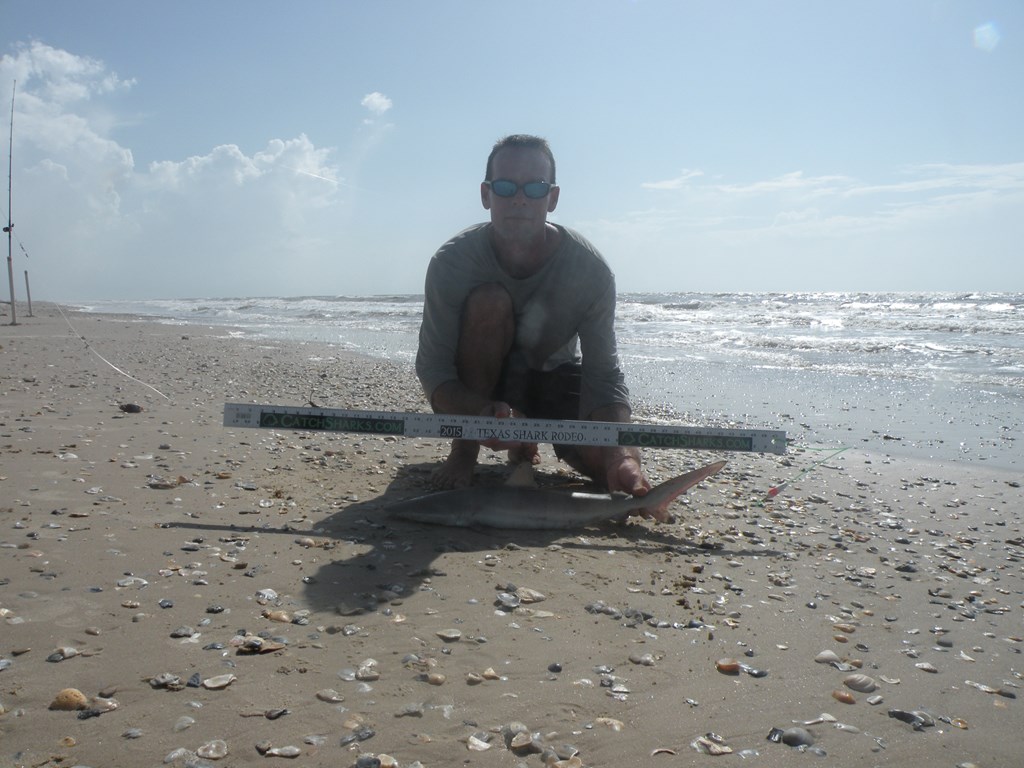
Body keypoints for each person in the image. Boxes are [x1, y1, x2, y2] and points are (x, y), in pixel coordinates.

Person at [415, 134, 658, 517]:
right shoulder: (452, 262)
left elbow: (604, 375)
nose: (520, 199)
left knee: (610, 473)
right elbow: (433, 369)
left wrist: (621, 454)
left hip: (552, 377)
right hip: (480, 385)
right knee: (489, 301)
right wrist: (479, 412)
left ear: (552, 197)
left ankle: (531, 437)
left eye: (535, 188)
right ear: (486, 194)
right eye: (505, 187)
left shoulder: (590, 271)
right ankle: (464, 451)